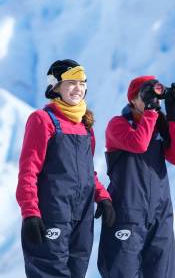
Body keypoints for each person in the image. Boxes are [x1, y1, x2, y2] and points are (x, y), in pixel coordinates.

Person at [16, 59, 115, 278]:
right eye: (71, 82)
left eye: (82, 83)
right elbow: (28, 170)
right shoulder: (43, 120)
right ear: (55, 87)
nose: (78, 88)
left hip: (82, 216)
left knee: (76, 272)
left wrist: (102, 196)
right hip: (52, 214)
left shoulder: (85, 126)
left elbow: (88, 172)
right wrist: (30, 212)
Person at [97, 76, 175, 278]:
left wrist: (174, 116)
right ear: (132, 100)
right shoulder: (117, 125)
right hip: (126, 214)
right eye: (146, 95)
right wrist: (150, 113)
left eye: (155, 96)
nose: (153, 101)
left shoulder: (158, 126)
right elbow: (139, 144)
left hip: (160, 214)